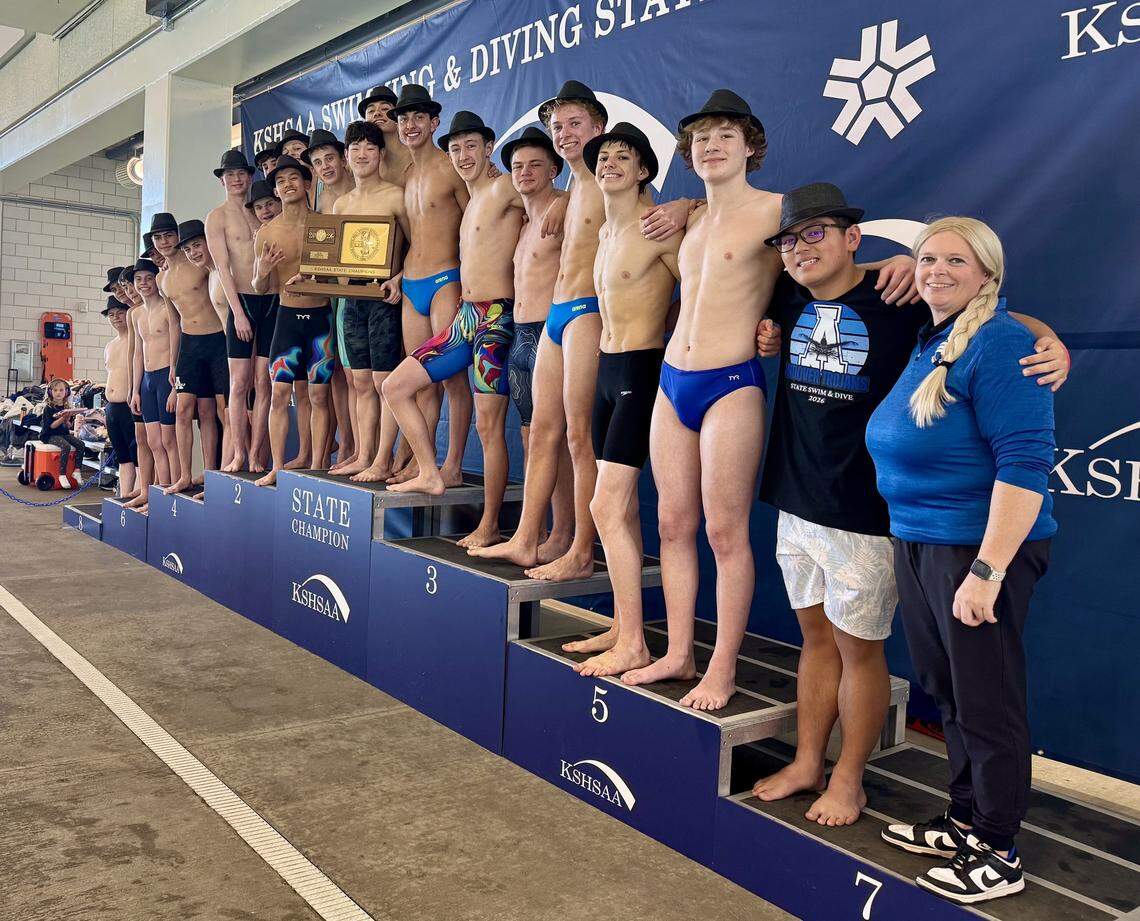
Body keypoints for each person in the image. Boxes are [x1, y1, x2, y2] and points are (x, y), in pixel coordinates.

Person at [749, 185, 1071, 827]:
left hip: (866, 514)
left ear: (852, 238)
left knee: (863, 650)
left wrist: (1050, 340)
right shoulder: (787, 293)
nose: (800, 249)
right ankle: (810, 761)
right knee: (817, 640)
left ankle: (850, 780)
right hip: (796, 498)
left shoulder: (897, 295)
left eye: (816, 234)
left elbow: (994, 319)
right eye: (790, 239)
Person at [620, 91, 915, 710]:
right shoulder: (691, 217)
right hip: (673, 378)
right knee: (672, 524)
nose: (712, 145)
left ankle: (722, 668)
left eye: (725, 135)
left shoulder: (778, 211)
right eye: (701, 138)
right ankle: (677, 652)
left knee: (726, 532)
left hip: (730, 382)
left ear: (750, 146)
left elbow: (832, 248)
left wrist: (905, 261)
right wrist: (685, 204)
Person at [866, 217, 1057, 904]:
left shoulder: (1004, 343)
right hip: (920, 540)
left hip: (977, 550)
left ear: (987, 274)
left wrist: (988, 569)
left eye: (955, 260)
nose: (936, 270)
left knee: (988, 699)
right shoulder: (936, 337)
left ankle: (999, 848)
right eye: (927, 258)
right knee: (950, 692)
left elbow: (1026, 463)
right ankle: (966, 819)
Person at [472, 81, 685, 580]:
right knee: (541, 433)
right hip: (556, 314)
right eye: (556, 126)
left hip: (591, 313)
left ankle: (582, 550)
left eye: (574, 124)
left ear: (599, 128)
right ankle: (527, 538)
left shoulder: (616, 180)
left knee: (578, 438)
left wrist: (686, 205)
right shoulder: (572, 189)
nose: (563, 134)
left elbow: (663, 220)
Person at [383, 112, 533, 549]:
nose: (463, 156)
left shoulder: (506, 186)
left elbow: (560, 201)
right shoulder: (472, 196)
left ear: (488, 148)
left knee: (490, 427)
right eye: (456, 148)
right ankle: (429, 471)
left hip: (498, 321)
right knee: (396, 386)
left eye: (471, 146)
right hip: (467, 317)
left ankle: (489, 524)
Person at [570, 122, 682, 677]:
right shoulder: (607, 233)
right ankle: (622, 622)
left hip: (642, 365)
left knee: (605, 506)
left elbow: (705, 286)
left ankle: (635, 643)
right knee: (623, 508)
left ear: (643, 172)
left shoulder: (657, 226)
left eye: (624, 156)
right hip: (608, 368)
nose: (610, 162)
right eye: (604, 155)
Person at [388, 83, 472, 487]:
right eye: (404, 118)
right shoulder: (405, 174)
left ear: (434, 122)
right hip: (412, 283)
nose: (410, 125)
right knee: (420, 379)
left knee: (453, 376)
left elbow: (479, 224)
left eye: (419, 117)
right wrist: (400, 274)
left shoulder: (452, 167)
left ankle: (453, 464)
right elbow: (414, 233)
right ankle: (424, 463)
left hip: (446, 279)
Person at [502, 126, 574, 555]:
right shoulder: (525, 222)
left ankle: (563, 533)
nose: (525, 172)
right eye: (517, 166)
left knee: (560, 441)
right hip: (519, 335)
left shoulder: (565, 210)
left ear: (554, 170)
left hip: (552, 331)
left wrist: (565, 199)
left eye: (534, 165)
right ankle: (543, 532)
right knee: (534, 442)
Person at [329, 120, 408, 482]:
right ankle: (363, 453)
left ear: (380, 154)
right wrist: (310, 277)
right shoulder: (341, 203)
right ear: (346, 157)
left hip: (383, 297)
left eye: (369, 148)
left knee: (383, 381)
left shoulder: (395, 195)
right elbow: (331, 259)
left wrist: (399, 277)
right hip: (352, 299)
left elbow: (416, 243)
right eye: (355, 148)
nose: (362, 154)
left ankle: (383, 459)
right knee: (360, 381)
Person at [253, 155, 336, 487]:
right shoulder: (267, 233)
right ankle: (277, 467)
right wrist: (262, 273)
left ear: (307, 183)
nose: (287, 185)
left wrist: (316, 275)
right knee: (279, 394)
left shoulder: (324, 225)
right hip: (287, 318)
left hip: (320, 318)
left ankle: (316, 464)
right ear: (276, 190)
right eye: (281, 181)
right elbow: (261, 288)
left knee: (317, 395)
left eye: (293, 179)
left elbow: (338, 277)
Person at [205, 148, 276, 474]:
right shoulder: (217, 217)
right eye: (230, 175)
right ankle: (237, 453)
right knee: (238, 383)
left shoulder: (262, 211)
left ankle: (258, 454)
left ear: (250, 177)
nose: (236, 179)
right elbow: (223, 269)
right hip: (242, 302)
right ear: (222, 180)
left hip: (271, 301)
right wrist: (239, 313)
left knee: (265, 382)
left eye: (241, 174)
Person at [153, 213, 227, 494]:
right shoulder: (163, 279)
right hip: (189, 347)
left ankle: (210, 473)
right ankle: (184, 475)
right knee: (183, 410)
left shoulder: (201, 266)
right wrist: (173, 363)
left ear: (178, 238)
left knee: (209, 411)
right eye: (158, 238)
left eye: (169, 236)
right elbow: (173, 322)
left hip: (216, 340)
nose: (164, 242)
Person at [306, 127, 358, 471]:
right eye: (318, 162)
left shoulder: (363, 184)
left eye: (329, 158)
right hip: (335, 295)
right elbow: (321, 251)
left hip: (369, 292)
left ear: (343, 159)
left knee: (365, 376)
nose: (325, 166)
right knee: (339, 373)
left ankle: (368, 448)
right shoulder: (322, 200)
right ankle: (349, 446)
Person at [127, 257, 179, 494]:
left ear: (157, 280)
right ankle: (160, 491)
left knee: (169, 441)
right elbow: (138, 353)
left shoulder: (167, 307)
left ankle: (176, 487)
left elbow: (177, 343)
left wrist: (175, 383)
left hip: (165, 378)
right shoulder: (136, 314)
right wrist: (135, 390)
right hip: (147, 381)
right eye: (139, 280)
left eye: (149, 278)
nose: (144, 284)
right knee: (154, 442)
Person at [100, 296, 137, 498]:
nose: (115, 318)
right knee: (123, 458)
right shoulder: (110, 345)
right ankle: (124, 496)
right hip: (112, 408)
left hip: (130, 405)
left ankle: (138, 497)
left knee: (138, 457)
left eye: (120, 313)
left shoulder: (137, 338)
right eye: (111, 315)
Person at [359, 84, 412, 186]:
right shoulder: (360, 164)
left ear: (398, 117)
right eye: (371, 111)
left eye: (384, 108)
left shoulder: (415, 157)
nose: (377, 113)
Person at [40, 379, 88, 487]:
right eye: (55, 390)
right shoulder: (48, 408)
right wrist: (63, 418)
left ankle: (77, 470)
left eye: (61, 390)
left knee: (81, 444)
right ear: (50, 392)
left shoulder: (66, 407)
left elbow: (68, 426)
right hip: (49, 435)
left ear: (66, 392)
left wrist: (67, 420)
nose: (58, 393)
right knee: (65, 446)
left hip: (63, 433)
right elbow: (51, 426)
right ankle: (62, 474)